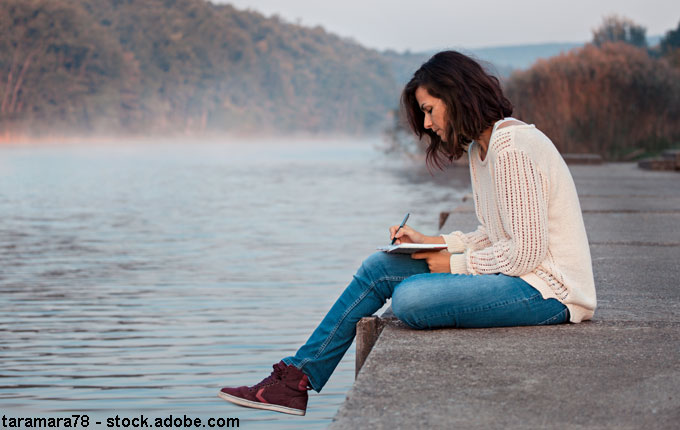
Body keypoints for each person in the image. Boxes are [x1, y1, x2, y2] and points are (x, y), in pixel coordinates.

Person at [217, 50, 597, 416]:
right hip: (522, 280)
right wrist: (432, 242)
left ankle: (297, 379)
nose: (428, 124)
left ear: (457, 95)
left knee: (411, 299)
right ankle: (296, 378)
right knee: (379, 266)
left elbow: (525, 253)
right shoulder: (482, 149)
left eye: (429, 110)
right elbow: (495, 235)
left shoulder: (511, 147)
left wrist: (451, 263)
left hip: (550, 291)